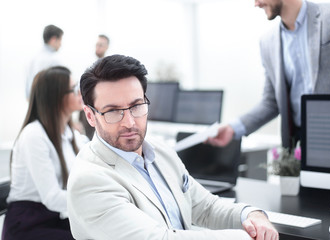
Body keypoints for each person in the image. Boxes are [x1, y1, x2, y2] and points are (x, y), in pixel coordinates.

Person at [67, 54, 279, 240]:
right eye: (113, 111)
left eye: (136, 106)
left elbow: (205, 208)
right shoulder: (89, 180)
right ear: (90, 116)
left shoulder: (160, 152)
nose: (130, 122)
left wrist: (252, 216)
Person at [207, 0, 330, 149]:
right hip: (300, 142)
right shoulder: (267, 43)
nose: (256, 4)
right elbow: (271, 102)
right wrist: (232, 128)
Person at [2, 66, 88, 240]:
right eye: (74, 89)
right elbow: (52, 198)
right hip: (27, 224)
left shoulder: (70, 134)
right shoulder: (34, 135)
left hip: (52, 218)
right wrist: (93, 201)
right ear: (56, 97)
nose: (80, 92)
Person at [25, 24, 64, 100]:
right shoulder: (54, 60)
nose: (60, 44)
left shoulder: (33, 59)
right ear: (54, 39)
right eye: (60, 40)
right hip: (48, 104)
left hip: (33, 103)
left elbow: (27, 89)